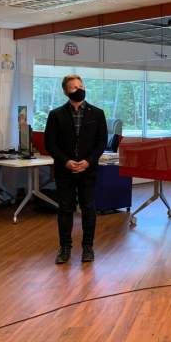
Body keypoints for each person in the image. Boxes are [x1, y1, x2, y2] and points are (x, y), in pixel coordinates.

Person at [44, 75, 107, 265]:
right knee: (65, 209)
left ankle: (88, 247)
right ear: (65, 91)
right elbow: (50, 144)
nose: (78, 89)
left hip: (88, 170)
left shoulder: (97, 114)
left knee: (88, 208)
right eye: (73, 87)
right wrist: (65, 161)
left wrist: (88, 161)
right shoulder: (56, 115)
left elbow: (101, 142)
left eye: (80, 86)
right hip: (65, 170)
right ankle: (65, 248)